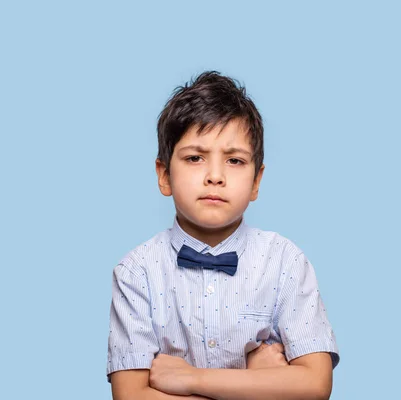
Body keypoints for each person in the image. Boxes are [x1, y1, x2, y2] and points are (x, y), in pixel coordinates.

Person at [107, 71, 340, 400]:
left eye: (234, 160)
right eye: (195, 158)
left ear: (256, 181)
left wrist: (192, 380)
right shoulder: (136, 271)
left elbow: (315, 386)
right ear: (164, 175)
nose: (215, 176)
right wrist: (258, 383)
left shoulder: (286, 262)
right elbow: (130, 397)